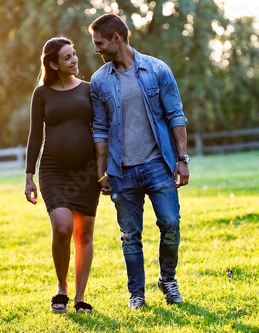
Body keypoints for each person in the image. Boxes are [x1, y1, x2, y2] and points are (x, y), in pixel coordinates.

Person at [88, 14, 190, 309]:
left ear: (116, 39)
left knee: (170, 224)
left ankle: (167, 280)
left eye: (99, 43)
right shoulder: (99, 81)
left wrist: (181, 159)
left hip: (159, 164)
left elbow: (175, 116)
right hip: (121, 171)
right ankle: (137, 294)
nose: (96, 50)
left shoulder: (157, 70)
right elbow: (99, 128)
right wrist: (101, 171)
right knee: (130, 235)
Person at [24, 37, 100, 314]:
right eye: (67, 57)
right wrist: (29, 175)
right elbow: (35, 137)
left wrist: (104, 170)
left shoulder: (90, 90)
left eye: (74, 54)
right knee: (62, 227)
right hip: (54, 171)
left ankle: (80, 297)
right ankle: (62, 288)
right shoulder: (42, 94)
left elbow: (102, 130)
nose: (75, 60)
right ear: (53, 64)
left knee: (84, 233)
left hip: (87, 171)